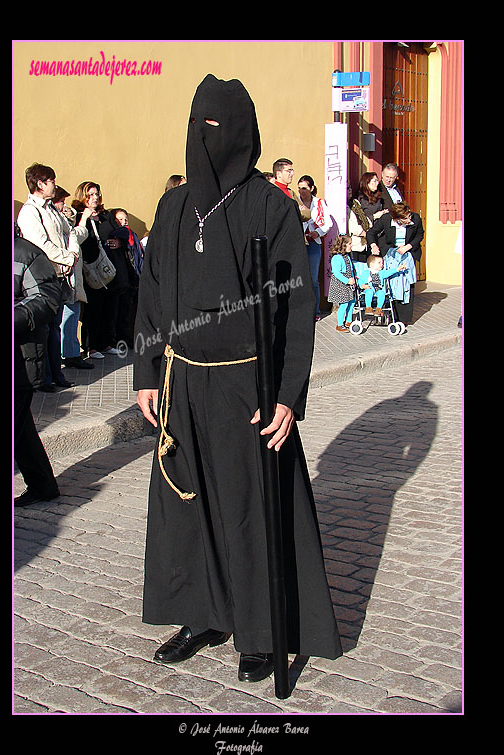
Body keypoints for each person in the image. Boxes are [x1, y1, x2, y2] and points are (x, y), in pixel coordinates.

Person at [134, 74, 342, 684]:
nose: (207, 137)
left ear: (243, 131)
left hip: (244, 386)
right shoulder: (172, 208)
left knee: (248, 509)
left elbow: (295, 311)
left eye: (219, 126)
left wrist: (285, 396)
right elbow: (150, 297)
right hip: (180, 383)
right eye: (200, 123)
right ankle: (200, 614)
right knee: (186, 505)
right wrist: (147, 370)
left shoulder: (269, 207)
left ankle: (257, 630)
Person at [17, 163, 83, 390]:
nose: (55, 184)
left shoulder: (50, 209)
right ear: (40, 183)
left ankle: (56, 375)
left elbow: (69, 231)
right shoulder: (30, 211)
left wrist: (72, 253)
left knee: (54, 328)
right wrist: (67, 258)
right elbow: (40, 246)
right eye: (51, 181)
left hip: (59, 276)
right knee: (43, 330)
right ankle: (43, 378)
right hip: (42, 279)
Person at [14, 230, 62, 506]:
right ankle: (43, 485)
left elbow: (46, 299)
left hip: (20, 358)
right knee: (21, 429)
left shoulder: (27, 253)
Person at [72, 181, 119, 359]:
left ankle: (105, 343)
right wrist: (85, 217)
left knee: (109, 306)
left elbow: (117, 232)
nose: (95, 198)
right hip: (89, 268)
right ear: (82, 196)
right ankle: (90, 346)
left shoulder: (105, 216)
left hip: (106, 266)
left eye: (96, 194)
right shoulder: (79, 216)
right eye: (90, 194)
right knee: (93, 308)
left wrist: (119, 242)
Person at [51, 186, 94, 370]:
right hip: (62, 274)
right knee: (66, 316)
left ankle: (70, 352)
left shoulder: (62, 220)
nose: (64, 206)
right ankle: (68, 354)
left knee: (72, 313)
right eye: (62, 201)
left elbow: (76, 235)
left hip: (71, 275)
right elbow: (75, 236)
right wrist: (82, 219)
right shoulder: (52, 221)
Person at [366, 201, 423, 326]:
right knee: (391, 283)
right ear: (396, 219)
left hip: (407, 253)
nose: (409, 219)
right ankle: (391, 314)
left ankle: (403, 317)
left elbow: (419, 235)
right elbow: (371, 233)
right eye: (405, 218)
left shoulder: (416, 219)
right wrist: (373, 245)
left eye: (409, 216)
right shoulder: (386, 219)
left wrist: (408, 246)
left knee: (406, 285)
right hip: (391, 253)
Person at [297, 175, 333, 321]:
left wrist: (317, 232)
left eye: (304, 188)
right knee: (298, 278)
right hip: (299, 241)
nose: (301, 191)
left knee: (313, 278)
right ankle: (301, 310)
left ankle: (316, 310)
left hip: (313, 242)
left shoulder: (319, 203)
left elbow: (328, 223)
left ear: (311, 188)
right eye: (299, 188)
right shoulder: (295, 200)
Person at [108, 208, 145, 348]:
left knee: (127, 312)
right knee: (117, 313)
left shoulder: (130, 236)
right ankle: (117, 340)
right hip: (119, 281)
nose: (123, 223)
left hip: (130, 279)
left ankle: (125, 339)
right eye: (120, 219)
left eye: (125, 219)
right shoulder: (118, 235)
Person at [327, 235, 357, 332]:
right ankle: (340, 324)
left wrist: (353, 278)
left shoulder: (347, 256)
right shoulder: (337, 258)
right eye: (349, 244)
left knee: (352, 301)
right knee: (344, 304)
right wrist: (347, 280)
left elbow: (350, 269)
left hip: (349, 283)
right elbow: (336, 273)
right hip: (341, 284)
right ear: (343, 245)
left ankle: (348, 320)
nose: (351, 246)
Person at [272, 158, 311, 223]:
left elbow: (307, 213)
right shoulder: (272, 192)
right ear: (278, 174)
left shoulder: (291, 192)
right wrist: (297, 210)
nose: (292, 174)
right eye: (289, 171)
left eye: (292, 171)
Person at [346, 181, 369, 263]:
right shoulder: (343, 206)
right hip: (354, 241)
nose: (350, 190)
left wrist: (369, 229)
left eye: (350, 188)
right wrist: (362, 232)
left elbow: (363, 216)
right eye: (347, 188)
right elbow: (349, 224)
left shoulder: (355, 202)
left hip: (364, 241)